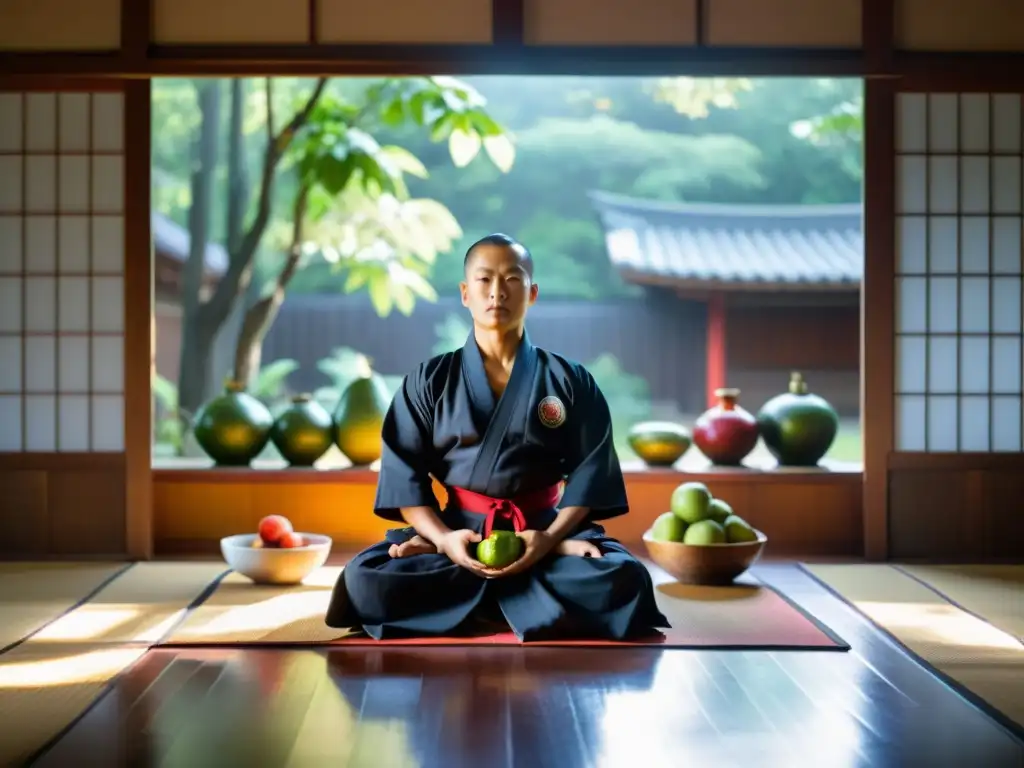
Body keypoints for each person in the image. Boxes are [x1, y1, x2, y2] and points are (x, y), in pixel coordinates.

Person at [325, 234, 670, 642]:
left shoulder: (570, 380)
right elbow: (405, 479)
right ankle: (519, 595)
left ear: (532, 293)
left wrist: (551, 541)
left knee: (624, 577)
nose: (497, 292)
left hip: (542, 530)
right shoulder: (429, 380)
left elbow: (591, 475)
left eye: (512, 279)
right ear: (465, 293)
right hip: (459, 534)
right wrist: (443, 540)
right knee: (366, 580)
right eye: (485, 280)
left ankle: (483, 597)